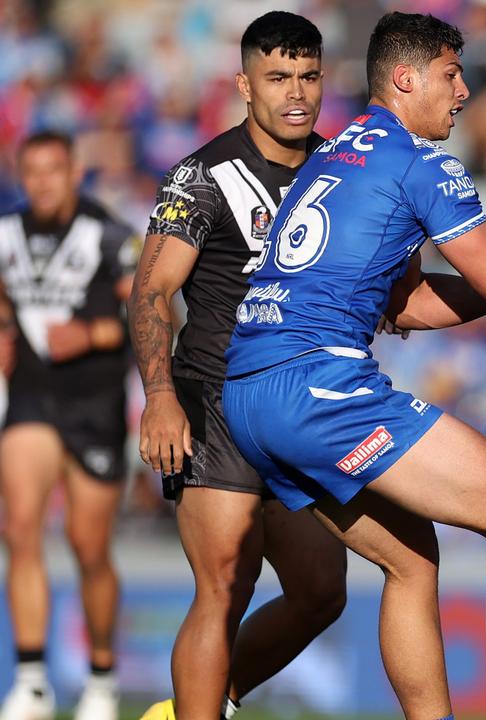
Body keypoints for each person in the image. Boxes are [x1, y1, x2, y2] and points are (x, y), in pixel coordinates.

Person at [221, 12, 486, 720]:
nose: (465, 91)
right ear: (406, 79)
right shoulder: (423, 162)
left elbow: (407, 306)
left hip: (250, 392)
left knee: (410, 565)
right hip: (318, 386)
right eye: (452, 74)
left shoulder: (335, 153)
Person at [128, 13, 347, 720]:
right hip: (213, 402)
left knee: (321, 589)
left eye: (309, 76)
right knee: (224, 580)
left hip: (302, 402)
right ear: (244, 84)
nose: (297, 93)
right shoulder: (201, 175)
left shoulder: (342, 171)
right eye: (278, 77)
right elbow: (153, 290)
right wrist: (159, 397)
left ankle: (204, 699)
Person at [0, 131, 136, 720]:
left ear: (75, 171)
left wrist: (90, 334)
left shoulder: (111, 237)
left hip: (94, 406)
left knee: (88, 547)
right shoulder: (6, 235)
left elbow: (156, 319)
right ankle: (31, 680)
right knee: (21, 530)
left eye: (53, 170)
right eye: (32, 172)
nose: (42, 183)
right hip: (30, 401)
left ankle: (101, 680)